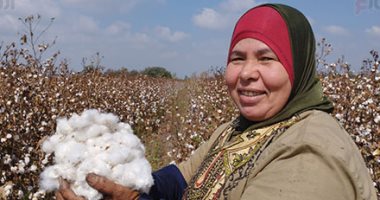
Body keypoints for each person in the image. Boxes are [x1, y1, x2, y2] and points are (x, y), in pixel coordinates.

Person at [56, 3, 377, 200]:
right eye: (237, 58)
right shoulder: (238, 130)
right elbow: (180, 178)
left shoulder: (312, 152)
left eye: (266, 59)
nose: (247, 73)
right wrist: (114, 179)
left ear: (299, 68)